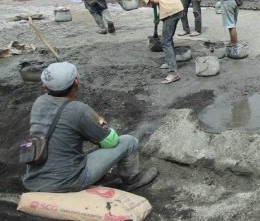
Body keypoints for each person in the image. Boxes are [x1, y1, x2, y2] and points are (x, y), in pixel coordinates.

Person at [22, 61, 158, 192]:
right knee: (129, 142)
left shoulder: (39, 103)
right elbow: (111, 141)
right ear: (76, 82)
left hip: (34, 180)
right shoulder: (79, 110)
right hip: (67, 181)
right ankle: (133, 180)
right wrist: (98, 130)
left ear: (45, 86)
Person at [127, 0, 185, 83]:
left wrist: (150, 1)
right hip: (178, 7)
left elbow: (155, 0)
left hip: (171, 11)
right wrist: (158, 16)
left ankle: (173, 73)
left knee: (165, 41)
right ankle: (169, 62)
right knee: (168, 38)